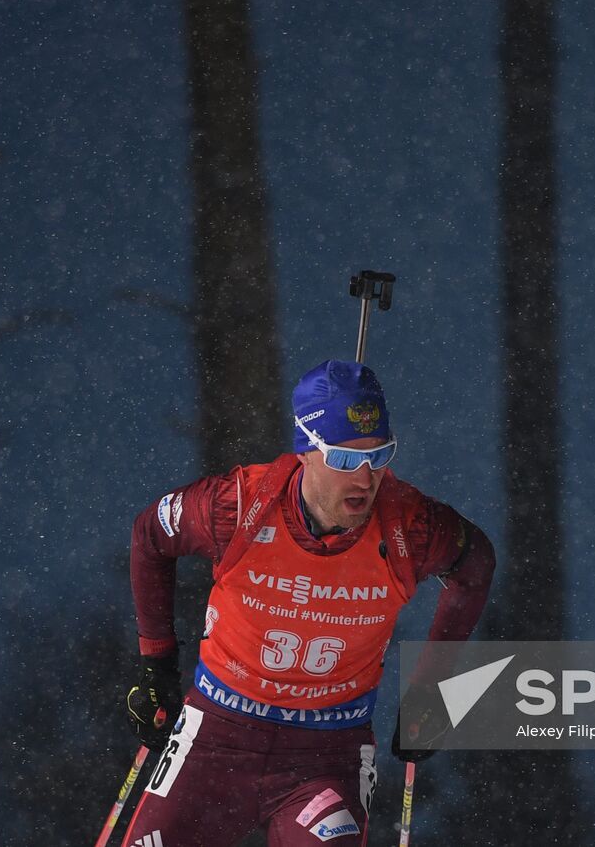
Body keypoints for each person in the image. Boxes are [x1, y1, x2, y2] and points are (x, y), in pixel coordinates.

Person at [120, 359, 495, 846]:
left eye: (379, 456)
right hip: (216, 737)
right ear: (306, 451)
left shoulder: (411, 527)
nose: (365, 478)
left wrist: (434, 689)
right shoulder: (238, 506)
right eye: (343, 459)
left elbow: (475, 563)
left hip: (325, 757)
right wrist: (157, 665)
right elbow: (152, 533)